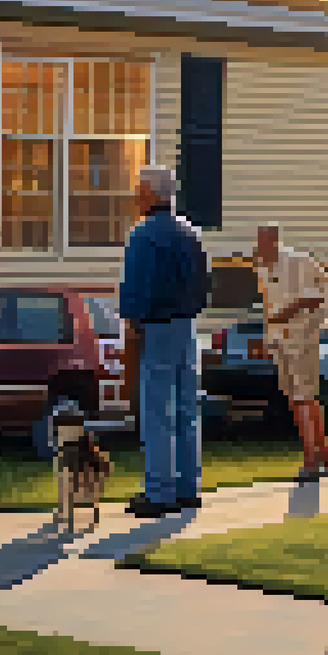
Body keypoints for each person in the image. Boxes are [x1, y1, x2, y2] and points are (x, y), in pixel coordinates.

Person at [118, 166, 209, 518]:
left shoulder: (143, 235)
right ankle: (189, 487)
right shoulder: (191, 232)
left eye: (139, 189)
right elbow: (204, 285)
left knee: (157, 410)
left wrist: (132, 324)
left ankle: (159, 492)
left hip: (155, 326)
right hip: (187, 325)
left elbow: (136, 288)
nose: (136, 195)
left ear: (152, 194)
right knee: (188, 408)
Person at [253, 223, 328, 482]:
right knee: (296, 399)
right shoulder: (263, 266)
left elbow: (323, 295)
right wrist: (268, 338)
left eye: (264, 243)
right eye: (258, 244)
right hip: (281, 340)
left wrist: (291, 311)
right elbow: (268, 305)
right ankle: (322, 454)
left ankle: (311, 462)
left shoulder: (299, 262)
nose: (261, 249)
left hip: (302, 338)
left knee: (304, 397)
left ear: (274, 241)